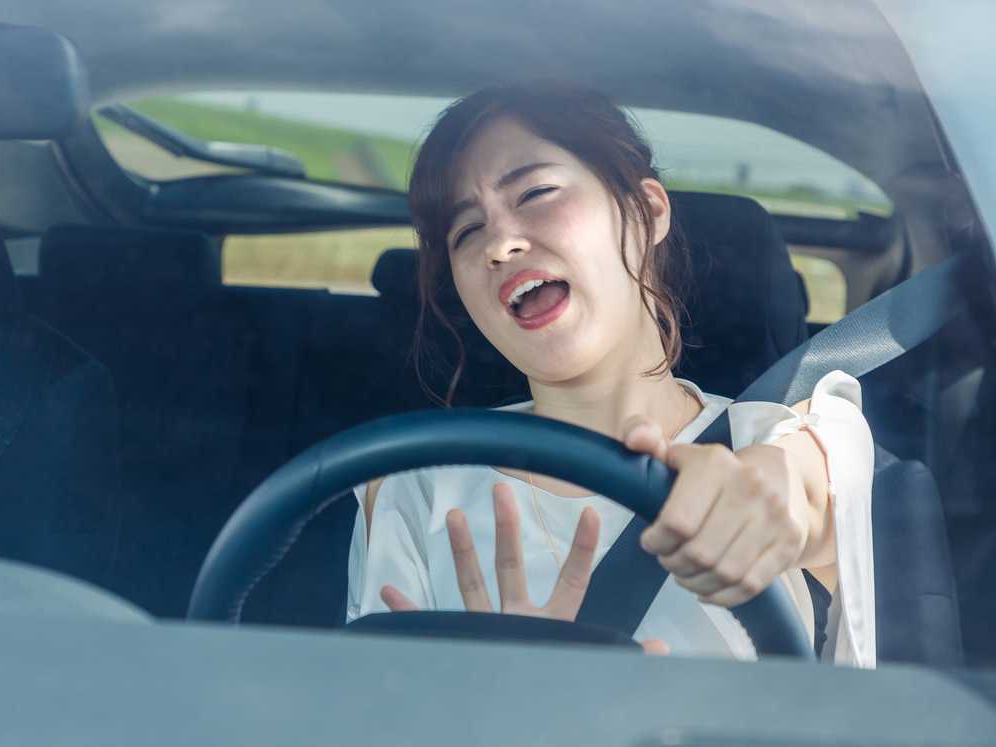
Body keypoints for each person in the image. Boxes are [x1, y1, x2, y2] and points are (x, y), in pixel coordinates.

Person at [346, 83, 875, 667]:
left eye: (536, 192)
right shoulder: (412, 484)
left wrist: (768, 502)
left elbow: (795, 492)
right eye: (466, 231)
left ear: (647, 211)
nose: (499, 243)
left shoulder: (784, 438)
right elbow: (375, 711)